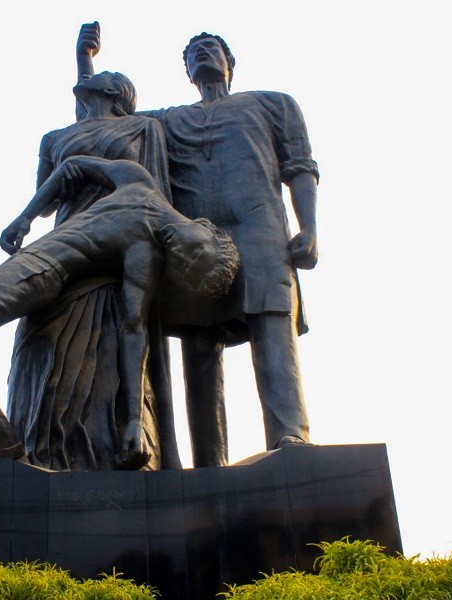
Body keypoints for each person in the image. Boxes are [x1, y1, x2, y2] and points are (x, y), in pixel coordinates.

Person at [78, 26, 320, 466]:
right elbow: (99, 122)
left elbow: (299, 167)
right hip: (194, 238)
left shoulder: (272, 103)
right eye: (193, 53)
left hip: (259, 227)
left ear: (230, 62)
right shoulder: (166, 120)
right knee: (199, 343)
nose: (202, 54)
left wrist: (309, 228)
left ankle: (290, 437)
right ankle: (210, 464)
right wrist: (85, 61)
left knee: (271, 320)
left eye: (211, 48)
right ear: (187, 71)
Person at [0, 156, 239, 471]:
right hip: (27, 261)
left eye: (186, 264)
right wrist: (26, 217)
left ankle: (4, 455)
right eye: (195, 250)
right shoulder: (138, 181)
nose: (181, 253)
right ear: (204, 225)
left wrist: (134, 419)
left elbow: (133, 328)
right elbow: (71, 166)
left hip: (43, 274)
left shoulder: (145, 253)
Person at [4, 69, 180, 471]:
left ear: (117, 91)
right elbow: (47, 197)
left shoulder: (144, 128)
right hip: (65, 244)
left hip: (118, 251)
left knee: (110, 346)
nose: (95, 75)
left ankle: (118, 445)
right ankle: (39, 460)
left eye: (104, 73)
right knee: (41, 348)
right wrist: (26, 219)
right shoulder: (55, 138)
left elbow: (156, 195)